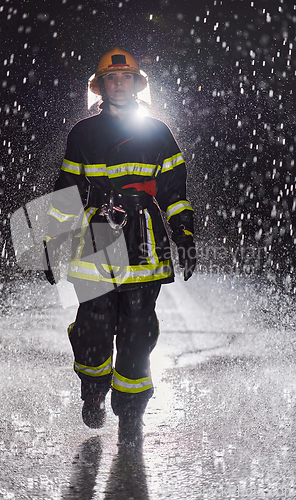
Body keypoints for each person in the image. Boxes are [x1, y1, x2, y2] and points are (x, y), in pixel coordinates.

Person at [44, 47, 196, 446]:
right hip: (97, 234)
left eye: (126, 77)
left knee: (138, 329)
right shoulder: (83, 134)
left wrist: (184, 232)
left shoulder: (158, 133)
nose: (119, 84)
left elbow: (174, 190)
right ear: (101, 87)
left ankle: (131, 411)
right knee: (94, 324)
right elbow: (68, 190)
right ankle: (93, 392)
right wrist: (51, 242)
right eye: (111, 78)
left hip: (145, 236)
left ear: (136, 84)